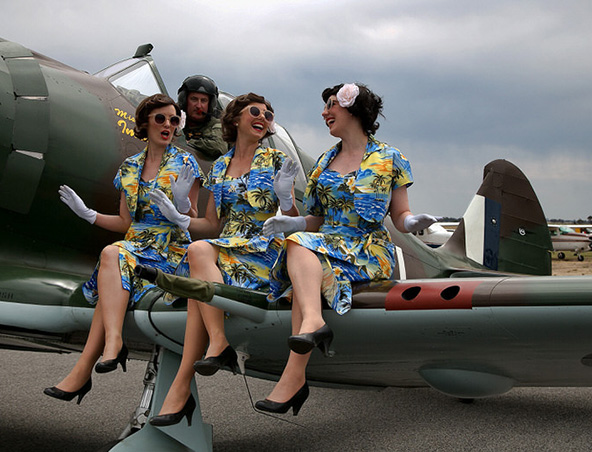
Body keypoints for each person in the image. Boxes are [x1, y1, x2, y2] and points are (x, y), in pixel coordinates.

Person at [255, 83, 439, 416]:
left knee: (299, 260)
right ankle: (296, 370)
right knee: (301, 266)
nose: (325, 112)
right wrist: (290, 220)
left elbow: (398, 214)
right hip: (327, 244)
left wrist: (411, 222)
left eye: (331, 105)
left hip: (368, 249)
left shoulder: (390, 158)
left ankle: (298, 363)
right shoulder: (325, 161)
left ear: (353, 109)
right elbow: (316, 220)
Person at [147, 93, 299, 426]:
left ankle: (205, 358)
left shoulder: (274, 160)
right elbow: (211, 224)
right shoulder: (218, 165)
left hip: (262, 250)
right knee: (198, 282)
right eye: (255, 111)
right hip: (224, 247)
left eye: (269, 114)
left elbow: (292, 218)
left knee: (197, 262)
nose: (263, 117)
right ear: (234, 120)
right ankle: (185, 385)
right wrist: (180, 214)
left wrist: (286, 198)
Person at [44, 94, 202, 404]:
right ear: (145, 123)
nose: (168, 124)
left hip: (169, 248)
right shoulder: (129, 167)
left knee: (111, 257)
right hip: (133, 246)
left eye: (173, 120)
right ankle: (104, 351)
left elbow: (192, 220)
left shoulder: (186, 162)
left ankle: (96, 358)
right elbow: (124, 221)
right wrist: (88, 215)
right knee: (115, 259)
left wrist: (181, 205)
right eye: (161, 118)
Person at [177, 75, 227, 160]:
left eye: (203, 101)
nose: (198, 106)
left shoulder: (216, 124)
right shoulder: (173, 119)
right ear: (185, 100)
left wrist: (187, 143)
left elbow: (219, 147)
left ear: (210, 104)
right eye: (194, 99)